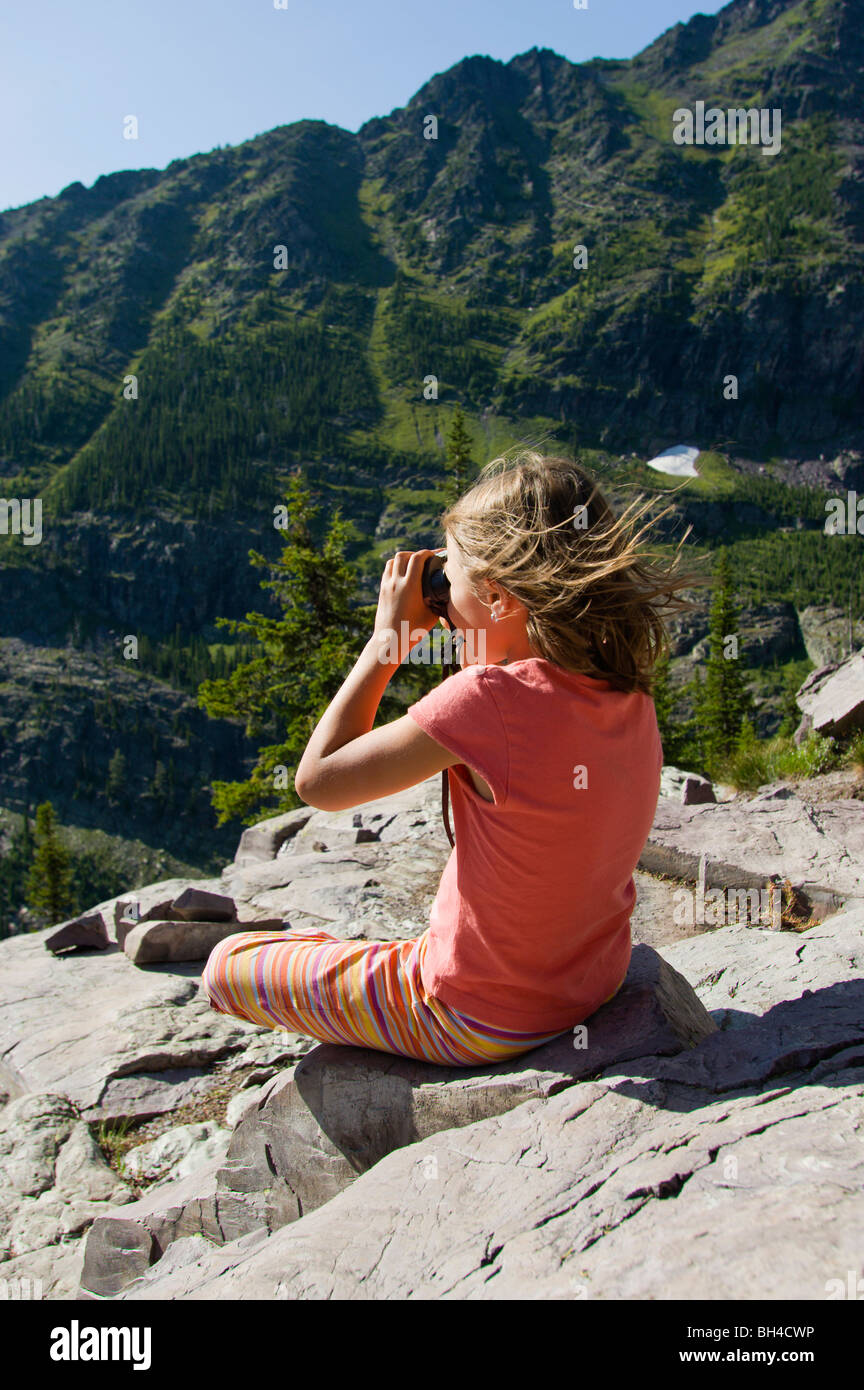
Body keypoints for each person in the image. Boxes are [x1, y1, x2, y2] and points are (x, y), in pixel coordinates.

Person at [201, 451, 705, 1066]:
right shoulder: (625, 682)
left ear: (499, 598)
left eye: (451, 584)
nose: (441, 603)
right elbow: (529, 726)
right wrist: (466, 610)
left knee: (227, 965)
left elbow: (319, 781)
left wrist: (387, 640)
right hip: (592, 984)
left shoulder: (488, 699)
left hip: (473, 1016)